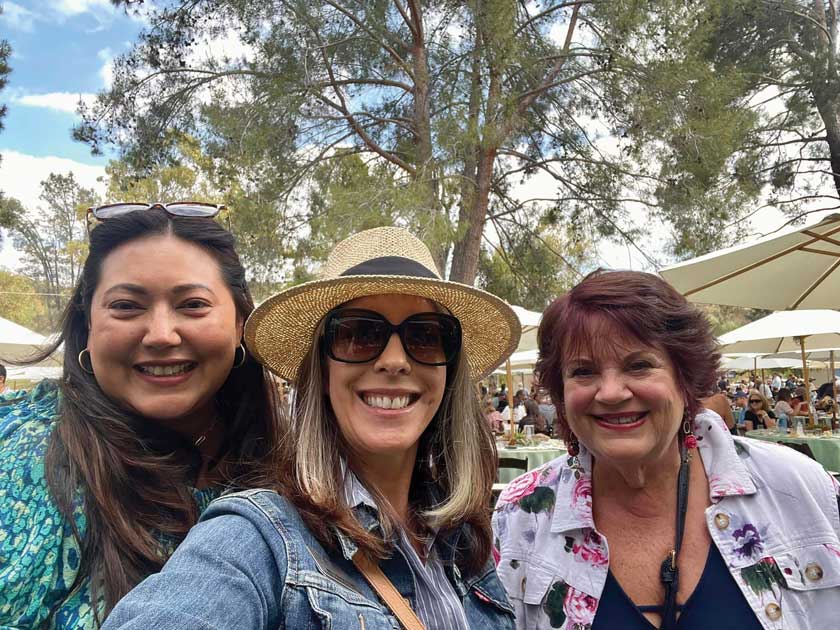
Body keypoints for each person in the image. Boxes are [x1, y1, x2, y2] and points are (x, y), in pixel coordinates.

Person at [102, 226, 519, 628]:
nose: (395, 361)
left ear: (449, 369)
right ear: (321, 368)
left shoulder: (463, 538)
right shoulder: (258, 539)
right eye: (359, 333)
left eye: (425, 336)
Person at [493, 270, 840, 629]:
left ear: (684, 378)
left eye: (639, 365)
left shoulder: (802, 490)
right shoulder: (519, 517)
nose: (610, 393)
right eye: (583, 371)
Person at [0, 205, 282, 628]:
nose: (161, 335)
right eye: (127, 306)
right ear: (87, 324)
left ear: (240, 322)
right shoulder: (23, 454)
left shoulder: (289, 462)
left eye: (193, 304)